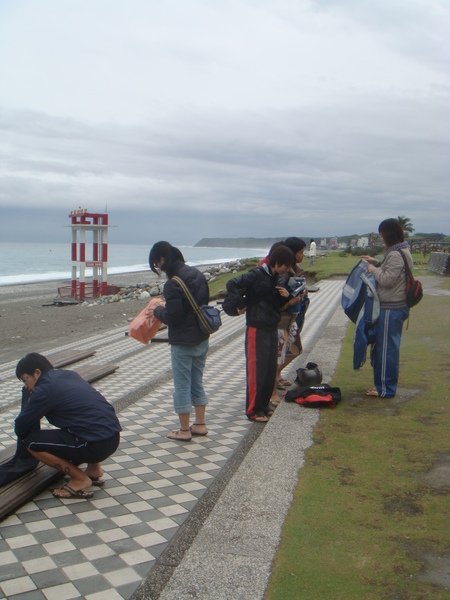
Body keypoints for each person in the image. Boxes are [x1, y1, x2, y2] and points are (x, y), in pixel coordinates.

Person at [14, 353, 121, 498]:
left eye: (25, 380)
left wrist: (29, 400)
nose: (26, 386)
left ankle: (80, 479)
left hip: (95, 445)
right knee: (79, 422)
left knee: (31, 442)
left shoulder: (44, 389)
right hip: (113, 437)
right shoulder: (69, 375)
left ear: (37, 373)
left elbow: (21, 427)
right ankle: (94, 470)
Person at [223, 245, 295, 422]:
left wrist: (285, 296)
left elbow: (274, 302)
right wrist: (242, 304)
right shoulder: (256, 274)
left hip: (271, 325)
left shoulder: (275, 277)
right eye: (286, 265)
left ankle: (264, 406)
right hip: (256, 326)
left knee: (270, 369)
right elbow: (231, 284)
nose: (287, 269)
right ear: (277, 262)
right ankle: (253, 410)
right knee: (257, 370)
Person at [148, 241, 210, 441]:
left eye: (156, 265)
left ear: (163, 259)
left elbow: (173, 317)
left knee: (182, 385)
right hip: (201, 337)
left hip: (183, 343)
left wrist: (157, 310)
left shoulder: (173, 283)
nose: (158, 268)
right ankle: (200, 424)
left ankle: (183, 430)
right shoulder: (198, 274)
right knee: (197, 381)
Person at [361, 218, 412, 398]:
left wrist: (372, 269)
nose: (381, 238)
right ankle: (383, 386)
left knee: (386, 350)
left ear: (387, 234)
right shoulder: (399, 251)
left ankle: (385, 389)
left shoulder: (396, 254)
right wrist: (376, 263)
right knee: (384, 348)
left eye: (382, 235)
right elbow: (392, 272)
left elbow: (387, 281)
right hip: (393, 307)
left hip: (392, 307)